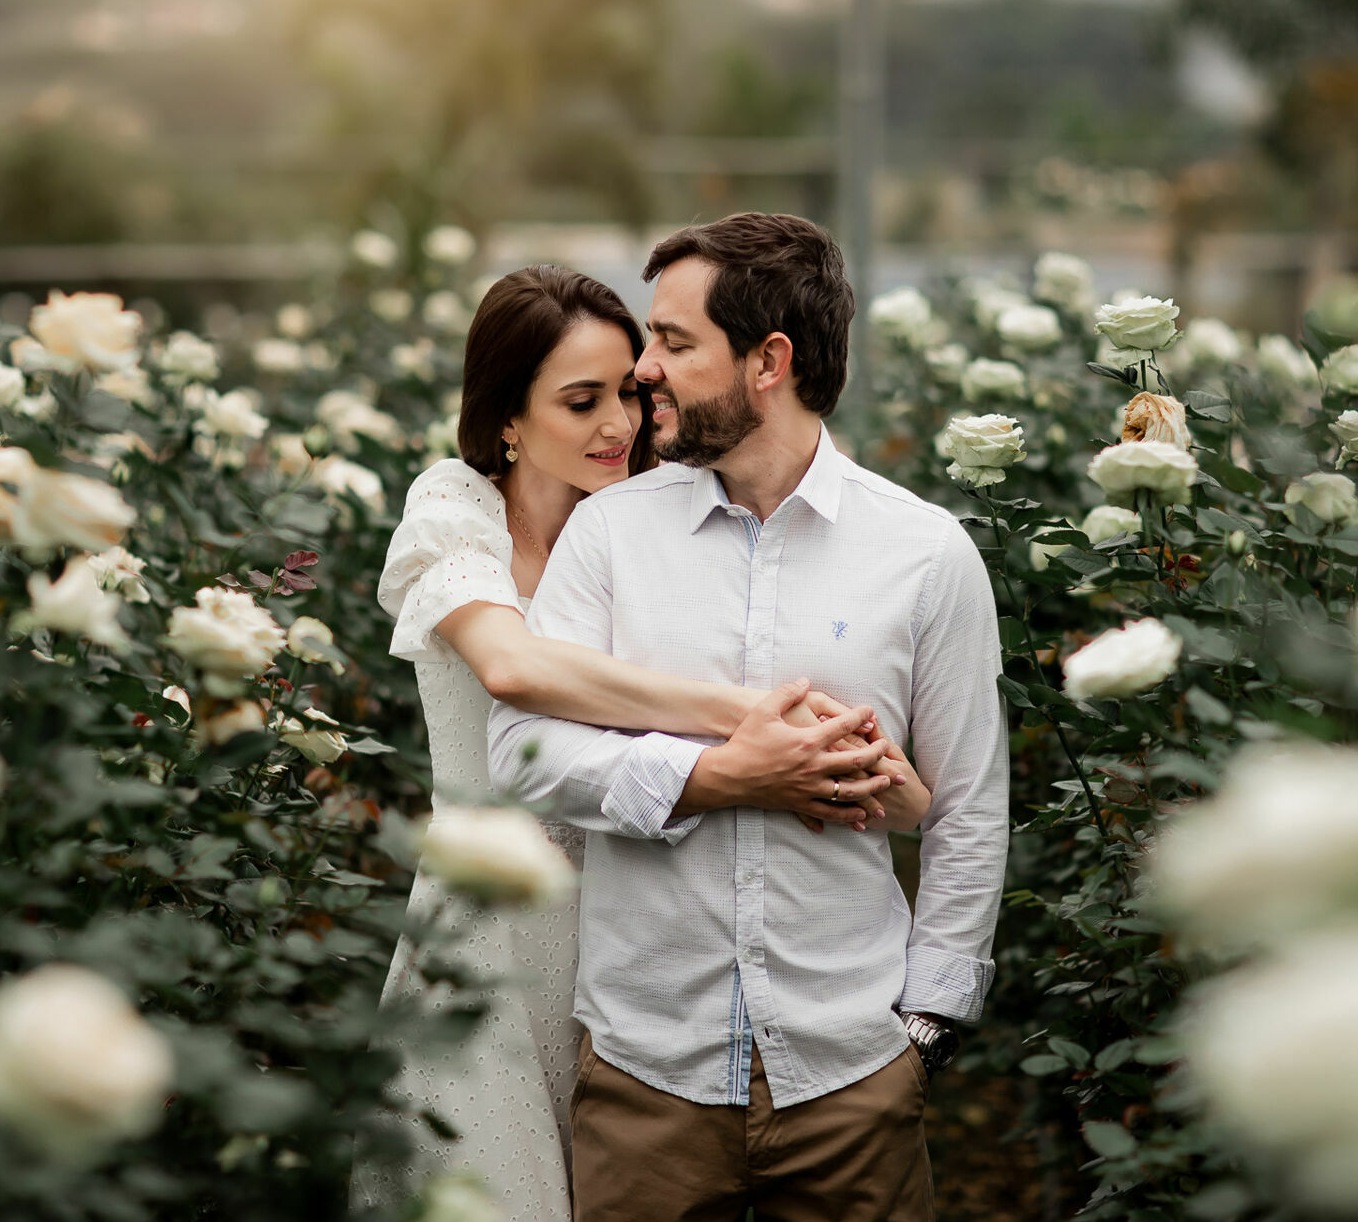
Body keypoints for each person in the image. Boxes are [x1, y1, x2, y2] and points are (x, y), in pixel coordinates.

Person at [351, 263, 930, 1218]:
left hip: (641, 914)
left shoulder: (651, 521)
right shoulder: (454, 512)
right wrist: (743, 717)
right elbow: (512, 669)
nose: (619, 423)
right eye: (581, 402)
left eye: (629, 389)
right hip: (492, 923)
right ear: (506, 417)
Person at [489, 215, 1011, 1221]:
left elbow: (969, 808)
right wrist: (713, 775)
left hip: (852, 1075)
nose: (644, 369)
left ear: (769, 360)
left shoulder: (927, 554)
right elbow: (523, 750)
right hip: (645, 1075)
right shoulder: (608, 535)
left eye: (675, 343)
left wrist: (927, 1026)